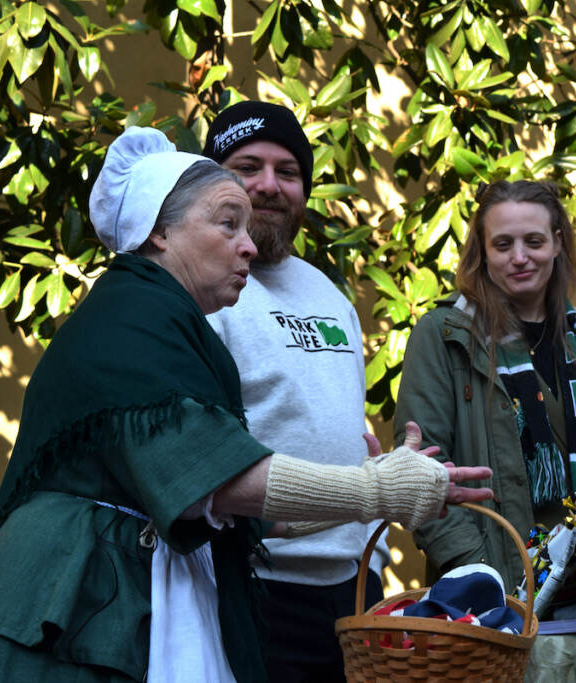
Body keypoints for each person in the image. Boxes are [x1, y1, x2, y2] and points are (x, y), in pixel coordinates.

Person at [0, 126, 493, 682]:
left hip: (120, 599)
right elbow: (212, 480)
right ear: (159, 233)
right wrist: (376, 489)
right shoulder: (130, 317)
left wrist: (361, 493)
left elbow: (218, 510)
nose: (249, 244)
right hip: (68, 618)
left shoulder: (167, 319)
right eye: (228, 222)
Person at [200, 100, 385, 681]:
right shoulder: (200, 293)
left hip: (357, 590)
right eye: (247, 167)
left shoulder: (329, 295)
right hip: (260, 584)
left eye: (288, 171)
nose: (269, 186)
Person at [394, 180, 576, 591]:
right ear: (483, 251)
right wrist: (481, 570)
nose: (520, 257)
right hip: (494, 591)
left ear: (558, 243)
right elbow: (421, 472)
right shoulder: (446, 335)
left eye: (534, 241)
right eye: (503, 244)